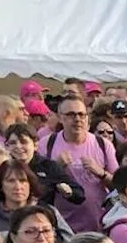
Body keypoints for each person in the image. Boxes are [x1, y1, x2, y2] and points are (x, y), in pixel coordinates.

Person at [40, 95, 119, 233]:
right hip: (62, 228)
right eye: (71, 114)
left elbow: (119, 185)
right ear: (60, 117)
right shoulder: (46, 144)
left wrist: (101, 173)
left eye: (82, 114)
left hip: (101, 224)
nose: (77, 119)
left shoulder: (103, 144)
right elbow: (37, 186)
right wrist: (55, 168)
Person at [0, 159, 74, 241]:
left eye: (23, 181)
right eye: (11, 181)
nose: (17, 186)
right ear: (1, 185)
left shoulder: (49, 212)